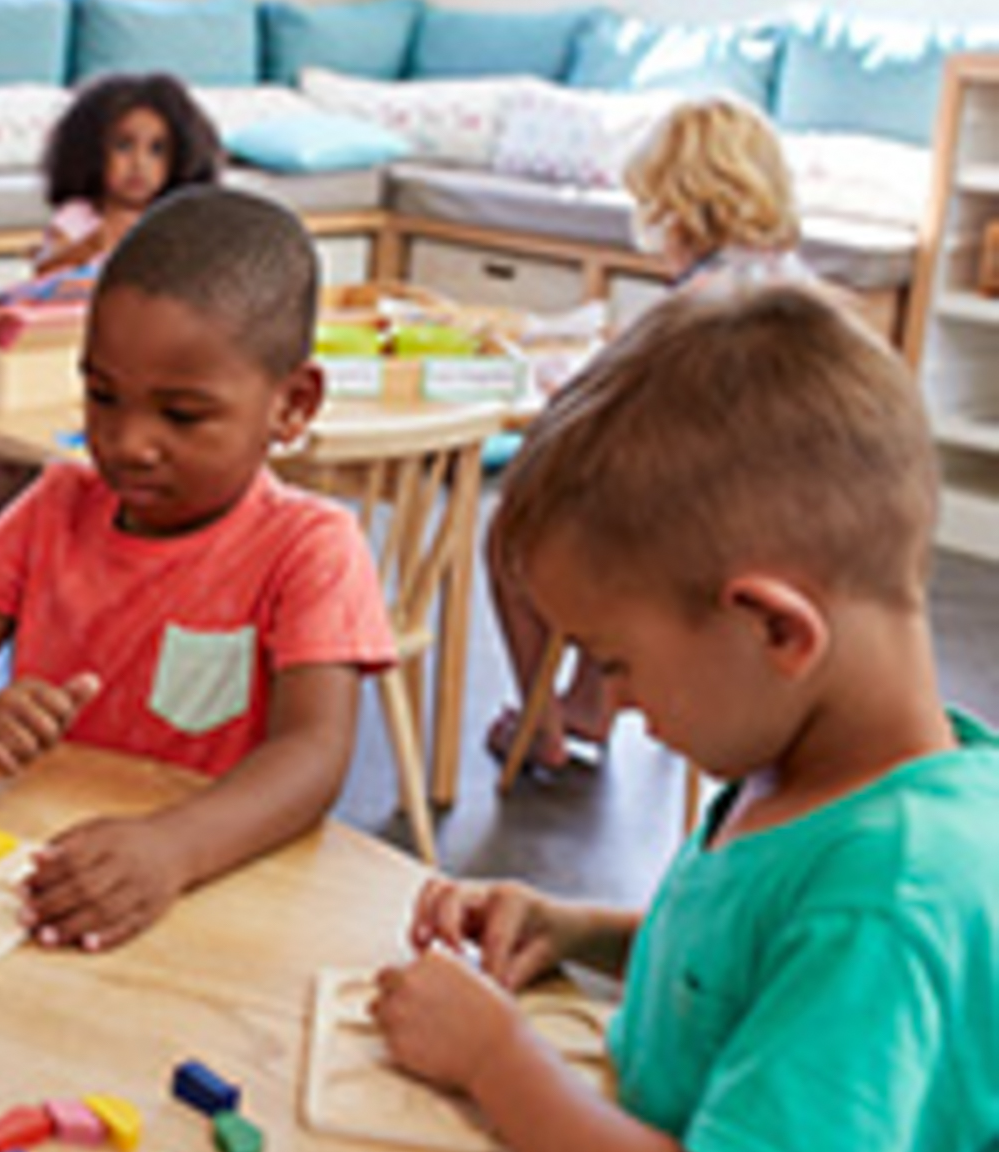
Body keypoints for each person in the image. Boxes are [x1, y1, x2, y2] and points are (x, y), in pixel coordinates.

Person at [371, 284, 999, 1152]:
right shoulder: (811, 770)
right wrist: (579, 929)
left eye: (615, 663)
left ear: (775, 629)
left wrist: (496, 1059)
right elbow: (751, 969)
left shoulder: (886, 901)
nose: (614, 703)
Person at [0, 187, 394, 952]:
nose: (127, 442)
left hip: (210, 889)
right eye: (102, 396)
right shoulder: (57, 503)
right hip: (43, 872)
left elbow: (313, 755)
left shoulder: (310, 548)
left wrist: (174, 847)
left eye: (182, 414)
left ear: (293, 404)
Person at [487, 95, 811, 774]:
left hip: (691, 544)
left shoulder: (695, 311)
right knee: (596, 511)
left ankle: (542, 722)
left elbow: (598, 412)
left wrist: (555, 378)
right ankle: (589, 705)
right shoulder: (794, 286)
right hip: (779, 533)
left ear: (679, 205)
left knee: (516, 539)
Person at [32, 72, 221, 277]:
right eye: (123, 146)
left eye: (157, 150)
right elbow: (44, 273)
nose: (139, 163)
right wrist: (88, 247)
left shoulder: (175, 220)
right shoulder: (78, 215)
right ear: (91, 151)